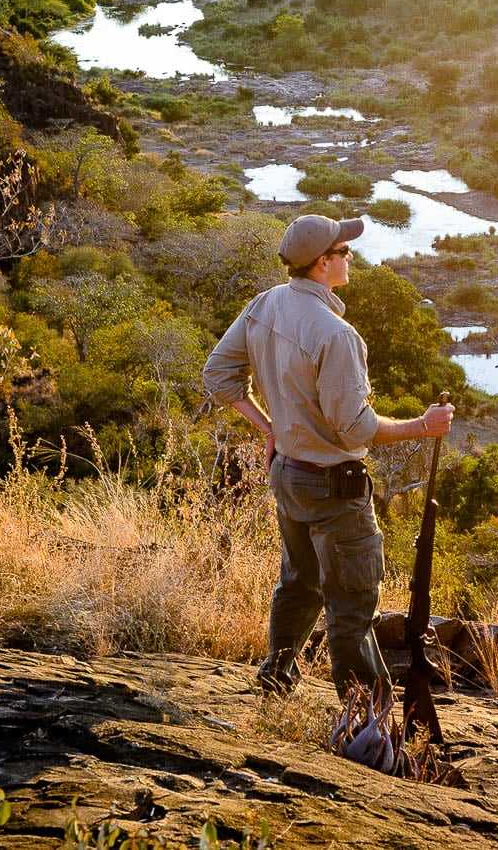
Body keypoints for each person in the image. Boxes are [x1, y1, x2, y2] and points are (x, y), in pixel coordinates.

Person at [202, 212, 455, 700]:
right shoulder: (336, 335)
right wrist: (421, 427)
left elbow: (219, 376)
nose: (350, 255)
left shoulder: (267, 303)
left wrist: (270, 427)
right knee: (353, 606)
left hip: (288, 476)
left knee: (298, 582)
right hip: (335, 486)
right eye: (343, 250)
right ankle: (366, 721)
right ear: (322, 263)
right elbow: (356, 427)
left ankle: (276, 679)